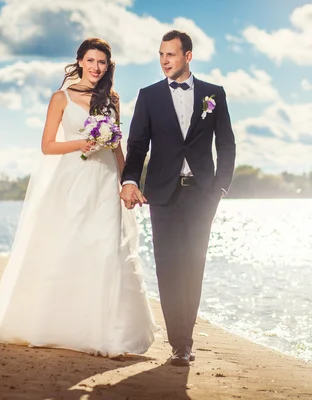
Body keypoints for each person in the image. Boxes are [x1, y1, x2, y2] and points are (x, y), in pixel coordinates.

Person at [0, 38, 157, 358]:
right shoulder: (60, 97)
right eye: (90, 60)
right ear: (79, 61)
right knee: (70, 245)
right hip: (73, 180)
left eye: (102, 62)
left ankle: (107, 331)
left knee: (108, 247)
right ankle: (60, 324)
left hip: (106, 180)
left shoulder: (112, 99)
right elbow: (48, 145)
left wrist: (128, 182)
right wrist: (80, 144)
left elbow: (117, 146)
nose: (96, 67)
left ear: (108, 66)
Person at [120, 30, 236, 366]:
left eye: (171, 54)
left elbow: (226, 144)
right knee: (169, 267)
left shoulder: (214, 94)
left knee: (193, 266)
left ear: (188, 56)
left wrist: (221, 188)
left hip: (202, 195)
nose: (165, 61)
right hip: (163, 194)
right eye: (161, 54)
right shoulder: (149, 96)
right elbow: (138, 143)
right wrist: (130, 179)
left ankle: (186, 337)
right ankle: (180, 344)